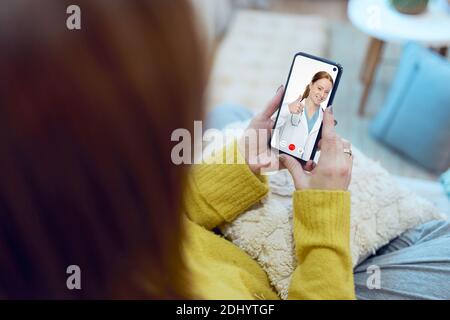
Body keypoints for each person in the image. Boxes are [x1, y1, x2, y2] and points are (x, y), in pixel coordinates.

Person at [273, 71, 333, 160]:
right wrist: (287, 110)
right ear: (311, 85)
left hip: (303, 169)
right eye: (319, 88)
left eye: (326, 92)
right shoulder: (288, 107)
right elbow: (270, 127)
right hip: (280, 164)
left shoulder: (324, 118)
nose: (322, 95)